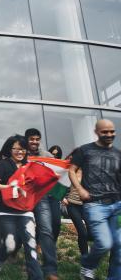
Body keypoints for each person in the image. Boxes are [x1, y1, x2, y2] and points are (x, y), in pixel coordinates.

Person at [69, 119, 121, 280]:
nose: (109, 134)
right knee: (105, 243)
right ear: (96, 132)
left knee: (119, 246)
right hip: (94, 205)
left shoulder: (118, 154)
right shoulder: (85, 151)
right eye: (105, 132)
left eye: (112, 131)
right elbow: (71, 171)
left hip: (117, 204)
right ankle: (88, 265)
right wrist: (80, 189)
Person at [0, 135, 43, 280]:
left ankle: (36, 276)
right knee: (10, 244)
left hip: (26, 211)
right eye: (16, 149)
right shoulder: (3, 164)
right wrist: (9, 187)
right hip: (6, 211)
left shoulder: (30, 165)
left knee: (31, 245)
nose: (20, 152)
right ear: (10, 149)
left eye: (23, 149)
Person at [25, 128, 60, 280]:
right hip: (36, 197)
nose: (35, 142)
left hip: (51, 195)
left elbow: (57, 170)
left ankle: (41, 245)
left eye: (37, 139)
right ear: (27, 140)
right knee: (45, 228)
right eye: (32, 139)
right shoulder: (23, 155)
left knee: (55, 225)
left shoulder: (47, 155)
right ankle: (50, 270)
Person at [62, 150, 89, 256]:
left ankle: (88, 248)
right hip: (72, 205)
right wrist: (62, 198)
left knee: (91, 232)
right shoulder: (68, 170)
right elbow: (56, 184)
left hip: (87, 205)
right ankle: (85, 258)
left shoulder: (88, 170)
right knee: (82, 232)